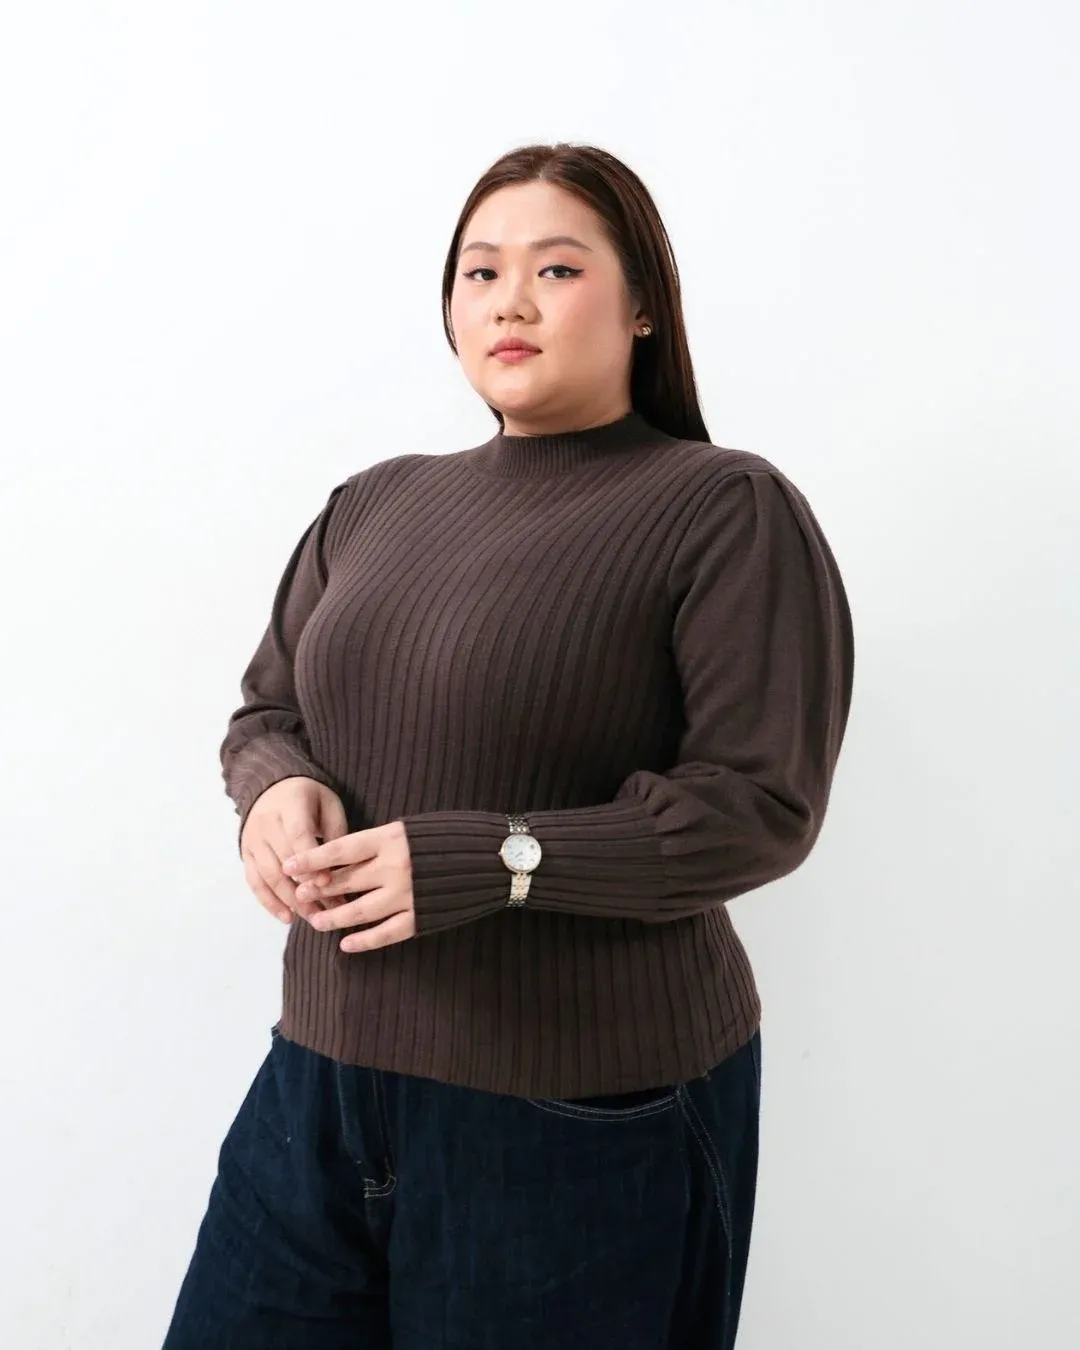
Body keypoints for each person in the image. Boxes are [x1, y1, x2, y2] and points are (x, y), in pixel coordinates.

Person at [162, 142, 855, 1349]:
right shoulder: (373, 502)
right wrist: (275, 790)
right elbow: (268, 712)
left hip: (575, 1115)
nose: (510, 302)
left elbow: (758, 804)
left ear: (643, 307)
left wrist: (495, 859)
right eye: (480, 272)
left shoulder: (724, 507)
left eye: (557, 269)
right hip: (316, 1088)